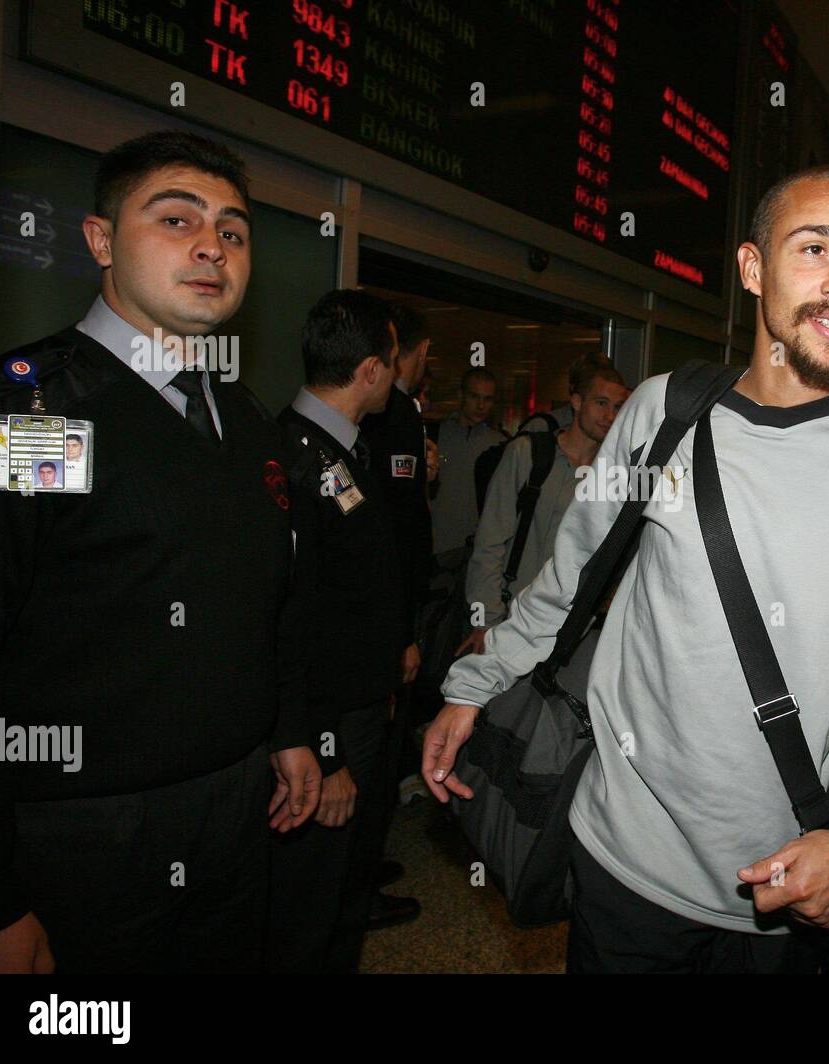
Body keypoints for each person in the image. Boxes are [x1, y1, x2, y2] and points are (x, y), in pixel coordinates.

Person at [424, 164, 829, 974]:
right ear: (754, 270)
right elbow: (567, 580)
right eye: (815, 248)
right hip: (624, 861)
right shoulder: (661, 412)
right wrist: (474, 683)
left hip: (784, 895)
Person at [0, 130, 320, 974]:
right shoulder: (37, 413)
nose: (212, 246)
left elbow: (260, 601)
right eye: (176, 219)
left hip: (234, 819)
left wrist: (283, 730)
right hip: (79, 839)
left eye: (233, 232)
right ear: (100, 240)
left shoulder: (245, 423)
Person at [270, 289, 416, 972]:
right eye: (391, 361)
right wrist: (324, 753)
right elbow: (290, 622)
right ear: (369, 371)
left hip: (360, 707)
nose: (395, 375)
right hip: (327, 729)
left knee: (345, 896)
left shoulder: (341, 449)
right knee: (312, 910)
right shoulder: (292, 461)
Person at [456, 355, 629, 657]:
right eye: (600, 403)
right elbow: (489, 542)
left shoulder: (613, 477)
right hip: (509, 621)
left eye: (617, 408)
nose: (609, 416)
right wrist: (484, 622)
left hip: (568, 632)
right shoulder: (527, 454)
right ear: (576, 402)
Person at [359, 301, 432, 928]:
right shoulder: (397, 415)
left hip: (383, 613)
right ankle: (357, 879)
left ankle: (361, 865)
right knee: (378, 748)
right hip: (384, 618)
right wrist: (404, 630)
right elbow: (401, 525)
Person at [429, 367, 505, 565]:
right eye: (475, 397)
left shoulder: (502, 446)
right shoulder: (434, 437)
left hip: (477, 550)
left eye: (487, 399)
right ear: (461, 396)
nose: (481, 405)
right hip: (436, 545)